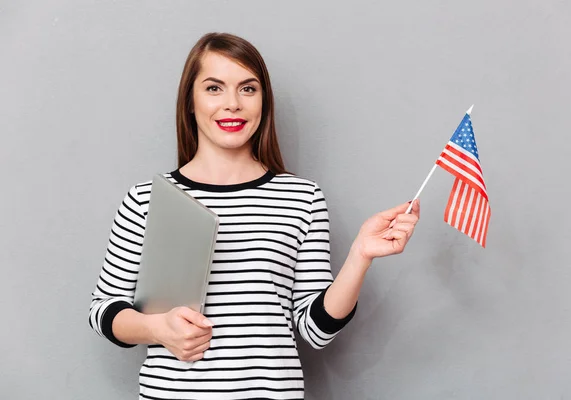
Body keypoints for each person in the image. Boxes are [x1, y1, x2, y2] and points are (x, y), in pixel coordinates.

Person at [89, 32, 420, 400]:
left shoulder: (301, 198)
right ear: (190, 102)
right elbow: (104, 310)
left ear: (263, 102)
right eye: (214, 88)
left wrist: (361, 255)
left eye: (248, 89)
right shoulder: (146, 199)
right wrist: (157, 329)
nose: (232, 104)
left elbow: (315, 330)